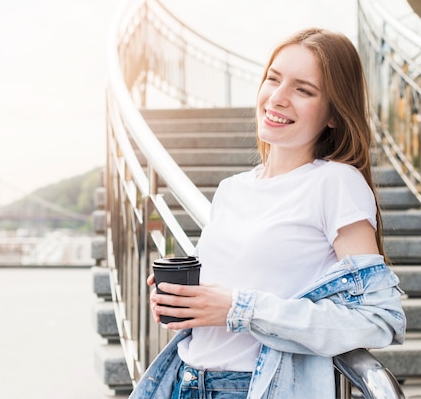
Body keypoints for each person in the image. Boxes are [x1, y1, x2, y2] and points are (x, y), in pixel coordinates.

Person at [129, 27, 406, 399]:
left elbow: (379, 318)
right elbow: (226, 296)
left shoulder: (337, 184)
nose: (277, 97)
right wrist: (186, 301)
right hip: (185, 380)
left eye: (303, 90)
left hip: (253, 388)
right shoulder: (232, 189)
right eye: (273, 79)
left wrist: (241, 308)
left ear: (334, 115)